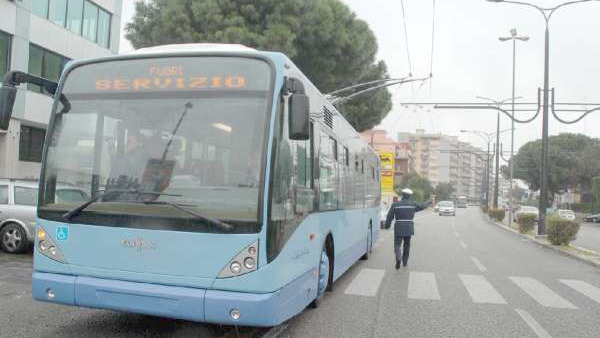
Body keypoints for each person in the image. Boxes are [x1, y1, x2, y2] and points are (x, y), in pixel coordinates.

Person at [385, 188, 432, 269]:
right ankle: (405, 262)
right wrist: (429, 201)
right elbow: (422, 206)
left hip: (399, 227)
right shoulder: (412, 204)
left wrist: (387, 225)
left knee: (397, 245)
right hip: (409, 227)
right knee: (407, 245)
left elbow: (389, 216)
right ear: (410, 196)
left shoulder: (395, 204)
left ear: (402, 195)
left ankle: (398, 258)